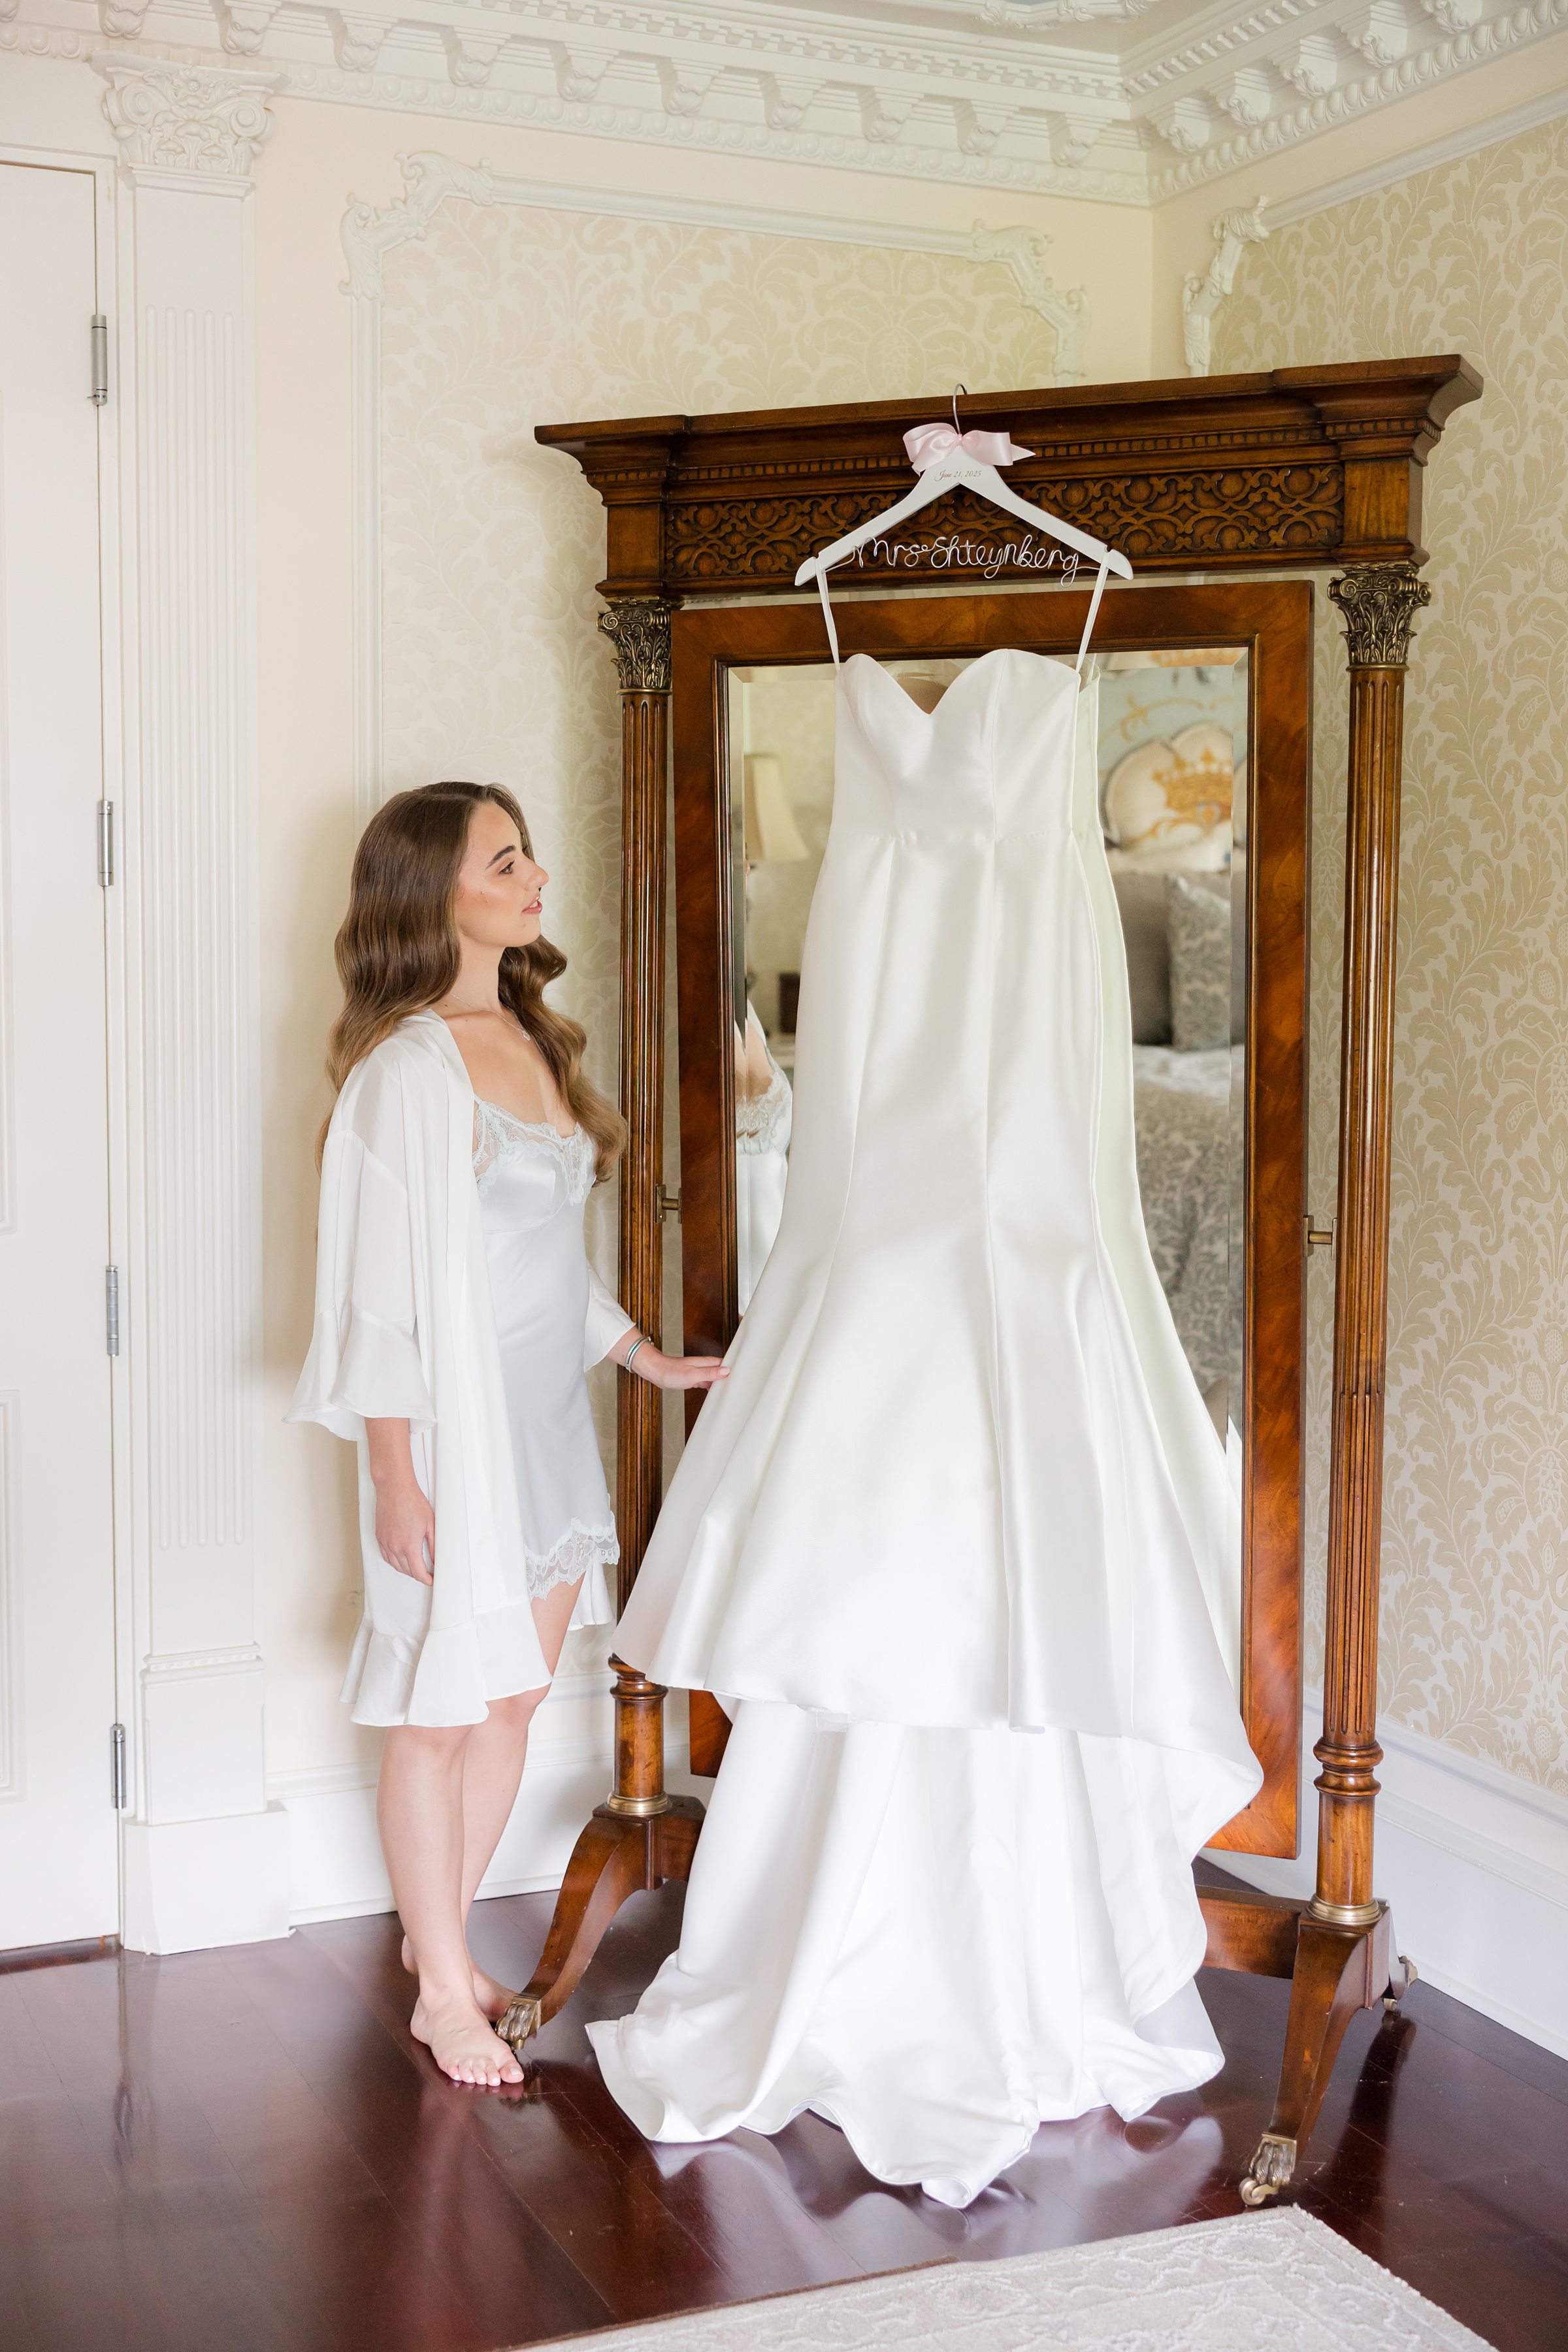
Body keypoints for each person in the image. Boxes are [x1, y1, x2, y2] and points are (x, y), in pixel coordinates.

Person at [289, 782, 725, 2090]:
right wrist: (393, 1474)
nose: (536, 877)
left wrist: (643, 1356)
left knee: (519, 1699)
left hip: (547, 1431)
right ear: (438, 892)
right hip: (452, 1443)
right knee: (437, 1709)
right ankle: (438, 1987)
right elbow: (379, 1294)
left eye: (528, 852)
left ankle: (445, 1948)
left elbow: (543, 1255)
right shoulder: (405, 1069)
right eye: (506, 860)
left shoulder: (527, 1036)